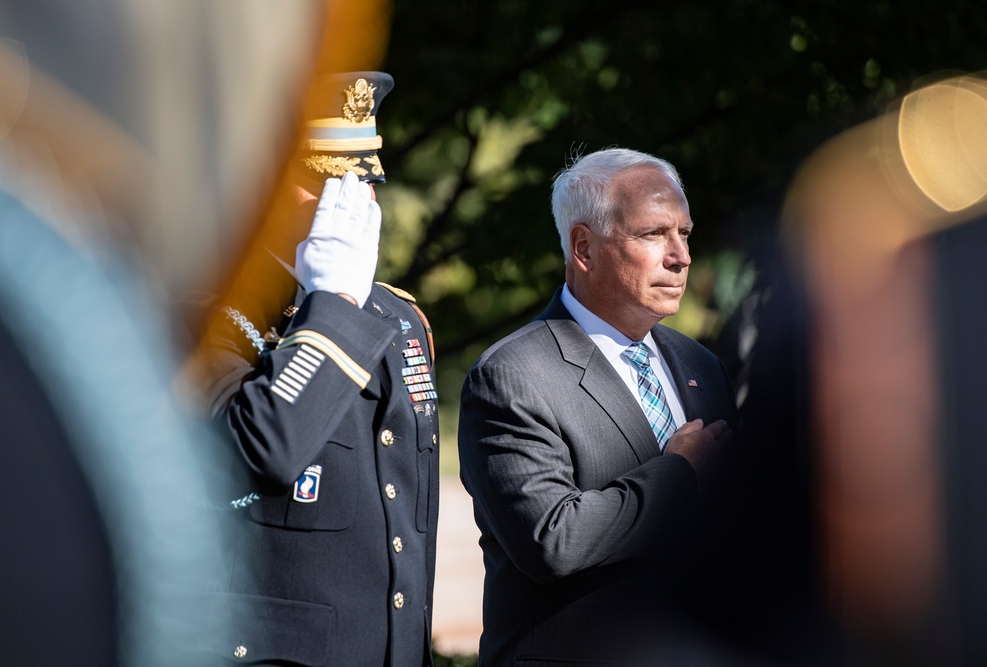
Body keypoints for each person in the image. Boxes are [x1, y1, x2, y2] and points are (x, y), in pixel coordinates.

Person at [192, 71, 441, 666]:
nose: (349, 197)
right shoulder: (202, 316)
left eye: (364, 178)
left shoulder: (402, 319)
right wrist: (331, 307)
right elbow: (264, 451)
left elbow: (411, 517)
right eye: (326, 178)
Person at [458, 147, 737, 666]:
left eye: (685, 233)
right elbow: (551, 540)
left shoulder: (700, 363)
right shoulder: (512, 377)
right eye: (653, 234)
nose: (681, 256)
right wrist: (681, 474)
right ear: (583, 246)